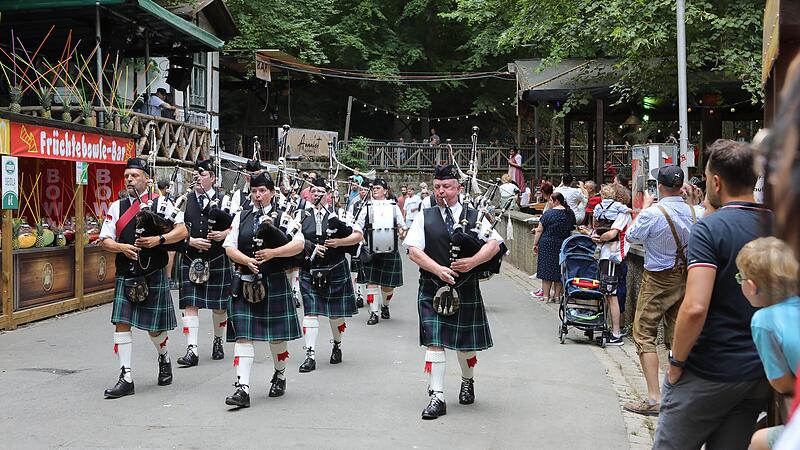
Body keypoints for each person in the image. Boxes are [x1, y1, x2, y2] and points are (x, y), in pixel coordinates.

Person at [654, 139, 773, 449]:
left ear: (716, 182)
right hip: (757, 372)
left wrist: (676, 362)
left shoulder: (710, 229)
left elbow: (695, 307)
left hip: (709, 368)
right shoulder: (776, 225)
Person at [404, 164, 502, 420]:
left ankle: (467, 381)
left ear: (458, 188)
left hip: (465, 286)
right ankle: (437, 395)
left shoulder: (475, 215)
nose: (441, 191)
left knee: (465, 345)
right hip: (432, 286)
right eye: (437, 186)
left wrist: (473, 262)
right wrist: (437, 269)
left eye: (446, 187)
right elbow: (413, 250)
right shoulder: (425, 215)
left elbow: (495, 244)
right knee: (435, 341)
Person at [99, 157, 188, 399]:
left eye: (135, 176)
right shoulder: (116, 207)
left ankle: (164, 357)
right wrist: (122, 248)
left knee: (155, 330)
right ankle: (126, 377)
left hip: (152, 273)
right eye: (127, 176)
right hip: (126, 274)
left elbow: (182, 230)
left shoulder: (161, 203)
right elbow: (104, 240)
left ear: (147, 179)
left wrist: (158, 240)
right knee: (121, 324)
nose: (129, 179)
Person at [221, 172, 304, 408]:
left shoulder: (283, 216)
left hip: (273, 281)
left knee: (277, 338)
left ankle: (280, 373)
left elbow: (298, 244)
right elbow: (229, 246)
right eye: (254, 191)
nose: (258, 195)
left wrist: (273, 253)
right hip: (245, 281)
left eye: (263, 191)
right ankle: (242, 388)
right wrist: (246, 260)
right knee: (243, 335)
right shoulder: (242, 216)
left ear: (272, 193)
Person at [623, 166, 698, 416]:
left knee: (644, 333)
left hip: (657, 279)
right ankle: (680, 396)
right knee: (679, 335)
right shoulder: (696, 211)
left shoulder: (652, 214)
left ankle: (654, 397)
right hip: (685, 277)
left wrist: (645, 207)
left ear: (660, 187)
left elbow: (631, 236)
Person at [735, 237, 799, 450]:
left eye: (740, 277)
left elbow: (782, 383)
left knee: (757, 441)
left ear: (751, 286)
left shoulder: (764, 320)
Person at [297, 177, 364, 373]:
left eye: (321, 191)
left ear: (328, 195)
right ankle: (310, 355)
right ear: (308, 195)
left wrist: (339, 243)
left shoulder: (340, 213)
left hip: (335, 268)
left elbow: (358, 235)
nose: (317, 195)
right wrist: (310, 246)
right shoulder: (300, 214)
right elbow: (291, 238)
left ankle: (337, 344)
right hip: (309, 269)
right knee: (310, 312)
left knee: (336, 316)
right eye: (313, 191)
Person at [175, 159, 232, 367]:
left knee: (220, 307)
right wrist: (189, 240)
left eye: (202, 174)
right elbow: (172, 228)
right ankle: (192, 350)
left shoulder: (224, 200)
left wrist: (223, 234)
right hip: (191, 258)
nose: (197, 177)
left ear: (213, 178)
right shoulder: (183, 200)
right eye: (195, 174)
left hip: (216, 258)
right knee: (190, 304)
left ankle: (218, 340)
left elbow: (236, 225)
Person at [355, 178, 408, 325]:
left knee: (388, 286)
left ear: (385, 191)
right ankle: (374, 313)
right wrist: (361, 239)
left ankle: (385, 305)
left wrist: (402, 233)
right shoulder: (367, 207)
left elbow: (402, 226)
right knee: (371, 282)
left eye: (378, 188)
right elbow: (358, 226)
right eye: (374, 188)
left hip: (390, 249)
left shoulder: (393, 207)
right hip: (371, 249)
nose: (375, 190)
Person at [591, 184, 633, 346]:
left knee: (611, 294)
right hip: (608, 256)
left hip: (611, 257)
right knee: (609, 294)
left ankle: (616, 333)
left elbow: (611, 234)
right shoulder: (619, 211)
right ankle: (610, 328)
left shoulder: (621, 214)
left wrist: (597, 237)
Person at [532, 192, 575, 302]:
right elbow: (572, 227)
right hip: (563, 244)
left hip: (547, 243)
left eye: (550, 200)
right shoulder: (569, 213)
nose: (549, 202)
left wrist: (535, 244)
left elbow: (539, 230)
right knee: (559, 270)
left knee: (546, 270)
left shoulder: (548, 213)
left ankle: (546, 296)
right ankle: (557, 296)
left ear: (556, 201)